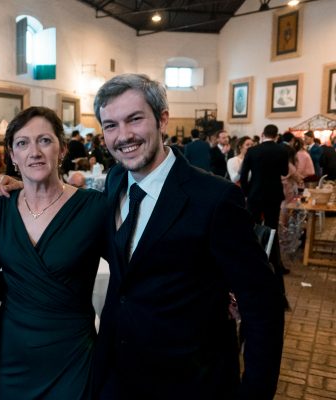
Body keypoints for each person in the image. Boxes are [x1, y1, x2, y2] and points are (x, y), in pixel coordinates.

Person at [91, 74, 284, 399]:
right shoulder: (114, 180)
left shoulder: (215, 197)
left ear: (162, 119)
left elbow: (263, 305)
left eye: (134, 119)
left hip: (189, 381)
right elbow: (131, 269)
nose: (123, 136)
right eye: (110, 125)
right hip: (118, 374)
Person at [0, 107, 108, 399]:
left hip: (72, 354)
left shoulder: (93, 207)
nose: (34, 151)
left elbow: (134, 267)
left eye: (44, 140)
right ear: (12, 156)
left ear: (62, 149)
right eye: (23, 143)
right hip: (13, 354)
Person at [240, 124, 290, 278]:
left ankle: (247, 261)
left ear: (263, 134)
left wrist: (248, 191)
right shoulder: (282, 150)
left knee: (250, 228)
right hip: (273, 195)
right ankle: (275, 264)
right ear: (276, 135)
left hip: (255, 194)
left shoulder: (253, 150)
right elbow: (284, 171)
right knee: (272, 229)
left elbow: (243, 175)